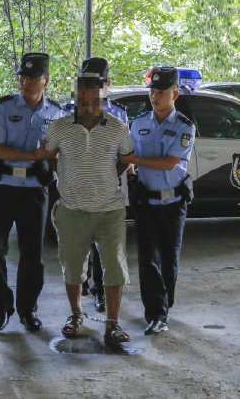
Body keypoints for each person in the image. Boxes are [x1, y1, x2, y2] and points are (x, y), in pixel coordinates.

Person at [36, 57, 134, 345]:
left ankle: (113, 324)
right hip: (72, 209)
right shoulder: (59, 127)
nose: (89, 106)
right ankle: (76, 315)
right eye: (83, 100)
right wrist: (68, 177)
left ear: (103, 99)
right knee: (73, 266)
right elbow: (49, 155)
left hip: (110, 210)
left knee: (114, 267)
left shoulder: (118, 127)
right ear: (75, 98)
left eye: (95, 101)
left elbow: (125, 159)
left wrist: (107, 178)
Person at [0, 52, 64, 333]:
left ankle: (28, 310)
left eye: (33, 78)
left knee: (32, 255)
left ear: (46, 81)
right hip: (2, 187)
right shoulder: (2, 108)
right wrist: (34, 155)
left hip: (34, 191)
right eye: (23, 77)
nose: (26, 82)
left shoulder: (57, 113)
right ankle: (1, 308)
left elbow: (58, 153)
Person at [119, 66, 196, 335]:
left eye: (161, 92)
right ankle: (155, 313)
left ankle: (165, 305)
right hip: (147, 203)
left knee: (169, 259)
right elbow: (127, 158)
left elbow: (169, 162)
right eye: (152, 91)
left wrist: (133, 160)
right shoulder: (139, 123)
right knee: (147, 259)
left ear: (175, 94)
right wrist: (129, 172)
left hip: (173, 204)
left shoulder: (185, 126)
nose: (155, 96)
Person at [61, 63, 129, 314]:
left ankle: (100, 291)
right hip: (75, 194)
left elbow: (125, 156)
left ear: (107, 83)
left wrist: (108, 177)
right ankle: (81, 294)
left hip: (105, 196)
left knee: (105, 251)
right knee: (77, 250)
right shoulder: (67, 112)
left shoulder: (119, 115)